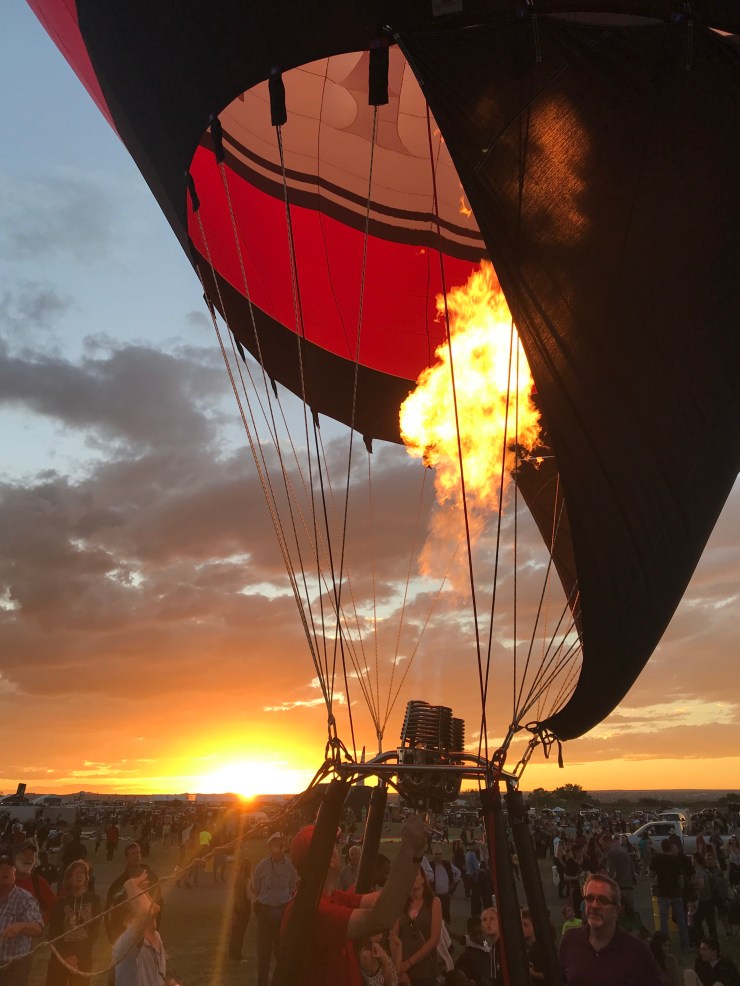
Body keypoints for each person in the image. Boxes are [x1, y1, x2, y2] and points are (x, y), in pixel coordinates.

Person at [281, 811, 428, 986]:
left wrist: (415, 857)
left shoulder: (328, 898)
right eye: (334, 845)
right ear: (329, 860)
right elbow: (380, 919)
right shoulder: (315, 912)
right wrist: (407, 849)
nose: (339, 851)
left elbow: (385, 899)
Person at [559, 873, 662, 985]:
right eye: (589, 898)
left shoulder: (637, 951)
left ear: (617, 910)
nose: (594, 906)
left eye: (603, 900)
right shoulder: (570, 940)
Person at [45, 860, 102, 986]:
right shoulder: (60, 904)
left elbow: (95, 932)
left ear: (86, 878)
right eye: (75, 873)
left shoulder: (95, 900)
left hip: (83, 958)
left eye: (82, 873)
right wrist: (67, 957)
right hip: (60, 958)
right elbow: (53, 935)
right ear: (68, 879)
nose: (79, 875)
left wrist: (77, 957)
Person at [252, 833, 296, 986]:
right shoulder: (261, 866)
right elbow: (256, 888)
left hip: (283, 912)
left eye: (279, 845)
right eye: (273, 845)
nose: (276, 849)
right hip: (265, 912)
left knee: (281, 951)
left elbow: (292, 887)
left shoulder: (290, 866)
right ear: (269, 848)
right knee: (264, 953)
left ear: (283, 848)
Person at [110, 874, 168, 986]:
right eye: (143, 896)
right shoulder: (125, 946)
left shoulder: (155, 937)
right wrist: (130, 885)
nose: (150, 898)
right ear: (127, 920)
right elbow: (145, 913)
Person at [0, 849, 43, 986]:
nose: (4, 871)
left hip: (15, 967)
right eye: (0, 868)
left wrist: (20, 926)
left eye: (8, 868)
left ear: (14, 871)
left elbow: (38, 928)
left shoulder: (25, 899)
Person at [105, 844, 162, 945]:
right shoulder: (119, 884)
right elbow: (110, 910)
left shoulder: (152, 878)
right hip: (128, 933)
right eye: (132, 853)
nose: (136, 856)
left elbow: (159, 903)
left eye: (138, 852)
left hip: (148, 931)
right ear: (126, 858)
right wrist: (112, 937)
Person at [394, 868, 442, 985]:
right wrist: (400, 969)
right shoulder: (400, 904)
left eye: (415, 874)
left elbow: (434, 939)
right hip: (404, 970)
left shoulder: (434, 902)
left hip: (426, 969)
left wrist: (410, 962)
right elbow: (394, 937)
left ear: (423, 879)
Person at [650, 839, 691, 949]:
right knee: (681, 920)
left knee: (664, 921)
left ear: (661, 847)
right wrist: (680, 890)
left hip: (663, 893)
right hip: (676, 893)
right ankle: (685, 944)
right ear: (670, 848)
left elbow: (652, 874)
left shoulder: (657, 859)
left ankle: (665, 945)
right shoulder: (675, 860)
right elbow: (680, 878)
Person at [13, 840, 56, 926]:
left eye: (32, 854)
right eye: (25, 853)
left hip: (30, 934)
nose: (29, 858)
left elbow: (53, 904)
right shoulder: (5, 879)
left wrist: (41, 923)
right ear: (14, 858)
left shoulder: (38, 881)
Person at [454, 915, 492, 986]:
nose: (478, 936)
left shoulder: (487, 942)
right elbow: (457, 936)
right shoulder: (469, 941)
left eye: (480, 932)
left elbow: (487, 947)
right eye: (475, 934)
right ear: (470, 934)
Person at [228, 858, 251, 962]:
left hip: (237, 906)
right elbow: (249, 896)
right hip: (245, 907)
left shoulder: (237, 880)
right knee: (241, 932)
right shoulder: (247, 880)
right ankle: (238, 955)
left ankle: (232, 952)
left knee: (235, 931)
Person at [430, 849, 460, 923]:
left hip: (445, 894)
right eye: (436, 854)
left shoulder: (447, 864)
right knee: (436, 914)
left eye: (439, 854)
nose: (438, 856)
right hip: (435, 894)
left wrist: (453, 883)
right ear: (433, 855)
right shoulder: (430, 865)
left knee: (446, 913)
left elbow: (458, 872)